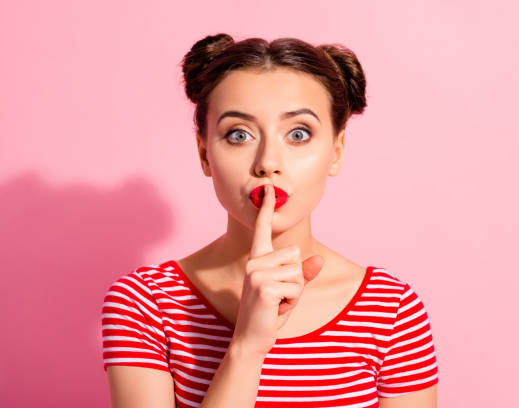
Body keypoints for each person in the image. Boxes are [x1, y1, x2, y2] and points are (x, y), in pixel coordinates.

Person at [101, 33, 439, 408]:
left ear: (336, 151)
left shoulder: (390, 309)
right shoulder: (146, 304)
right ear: (204, 153)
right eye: (239, 134)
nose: (267, 162)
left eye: (298, 134)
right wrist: (247, 346)